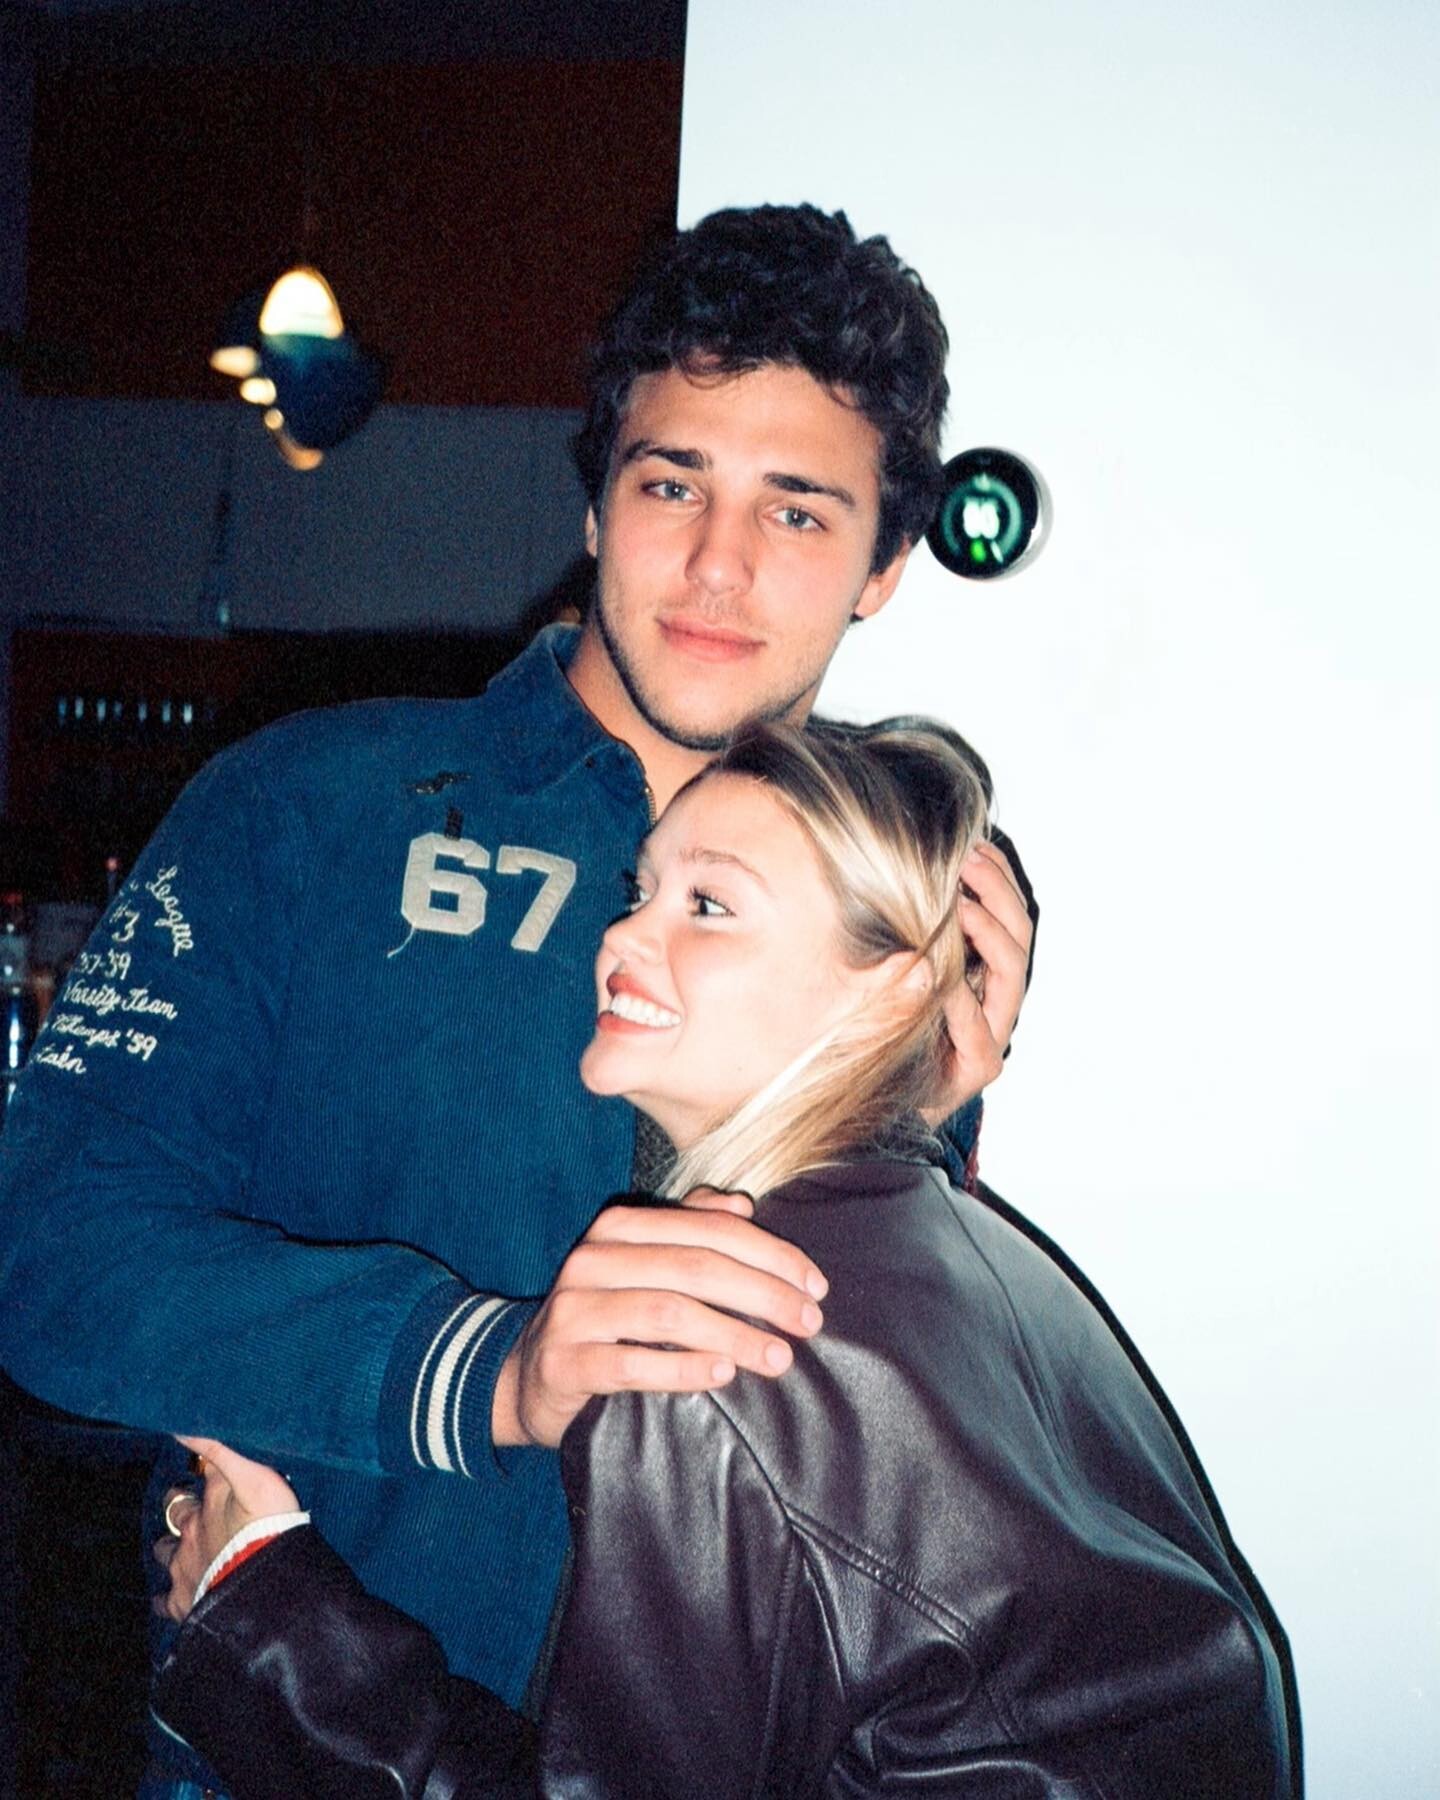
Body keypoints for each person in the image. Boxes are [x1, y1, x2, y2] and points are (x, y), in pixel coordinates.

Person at [0, 204, 1036, 1791]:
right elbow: (52, 1254)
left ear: (886, 566)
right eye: (672, 483)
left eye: (798, 511)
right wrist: (490, 1370)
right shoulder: (312, 806)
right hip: (290, 1741)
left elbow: (850, 1424)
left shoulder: (885, 916)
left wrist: (929, 1128)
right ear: (599, 500)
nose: (719, 563)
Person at [149, 721, 1294, 1797]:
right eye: (639, 892)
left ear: (892, 989)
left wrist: (265, 1620)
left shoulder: (710, 1343)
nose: (622, 938)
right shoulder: (979, 1255)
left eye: (709, 904)